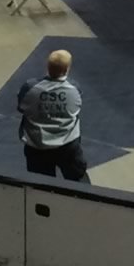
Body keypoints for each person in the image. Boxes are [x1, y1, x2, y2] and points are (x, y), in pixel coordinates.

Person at [18, 50, 90, 182]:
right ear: (67, 69)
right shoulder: (74, 88)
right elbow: (77, 108)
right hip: (68, 146)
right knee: (79, 183)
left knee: (42, 186)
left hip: (37, 147)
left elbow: (21, 107)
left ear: (47, 66)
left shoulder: (30, 87)